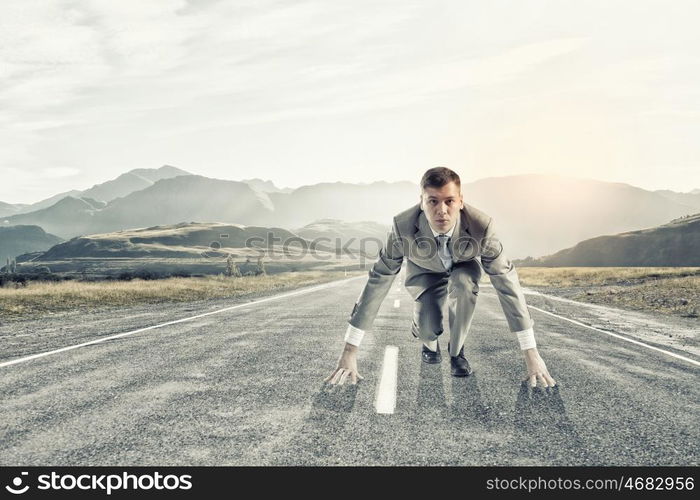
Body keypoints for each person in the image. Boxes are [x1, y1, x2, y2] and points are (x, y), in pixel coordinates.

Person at [325, 167, 556, 388]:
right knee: (428, 326)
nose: (442, 210)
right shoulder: (402, 227)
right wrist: (349, 351)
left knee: (464, 284)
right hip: (425, 272)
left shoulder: (482, 227)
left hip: (463, 268)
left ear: (461, 201)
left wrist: (531, 353)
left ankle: (456, 353)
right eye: (433, 201)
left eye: (449, 201)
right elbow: (379, 278)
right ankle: (427, 338)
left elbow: (507, 283)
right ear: (422, 202)